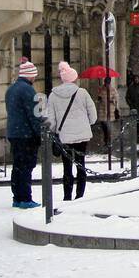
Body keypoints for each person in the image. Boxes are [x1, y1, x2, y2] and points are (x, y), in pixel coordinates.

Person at [45, 62, 99, 201]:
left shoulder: (53, 95)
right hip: (82, 135)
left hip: (64, 136)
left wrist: (56, 130)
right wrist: (88, 123)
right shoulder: (82, 93)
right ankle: (79, 196)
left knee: (67, 167)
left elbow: (51, 119)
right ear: (75, 79)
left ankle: (67, 196)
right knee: (81, 165)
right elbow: (93, 115)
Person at [5, 59, 46, 209]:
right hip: (26, 135)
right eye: (34, 75)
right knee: (26, 167)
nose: (35, 78)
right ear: (29, 76)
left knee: (17, 166)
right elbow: (34, 115)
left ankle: (17, 197)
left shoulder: (11, 89)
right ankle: (25, 198)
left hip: (14, 133)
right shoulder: (28, 90)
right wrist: (39, 134)